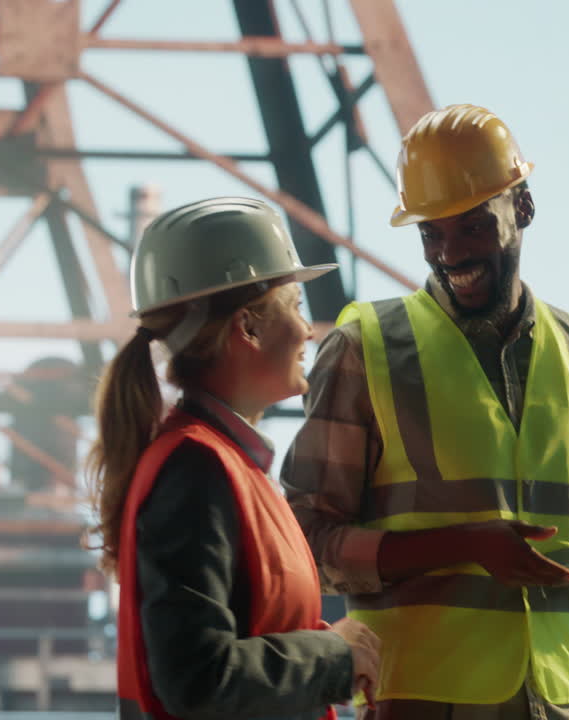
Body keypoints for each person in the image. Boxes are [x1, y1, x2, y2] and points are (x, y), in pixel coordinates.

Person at [282, 104, 569, 719]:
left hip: (568, 700)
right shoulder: (364, 351)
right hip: (424, 700)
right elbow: (305, 545)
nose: (450, 253)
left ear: (523, 209)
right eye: (431, 234)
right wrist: (464, 545)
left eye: (473, 228)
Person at [87, 197, 380, 720]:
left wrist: (334, 649)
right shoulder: (197, 471)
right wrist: (334, 656)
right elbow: (198, 678)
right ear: (247, 327)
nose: (308, 330)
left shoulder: (229, 466)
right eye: (294, 306)